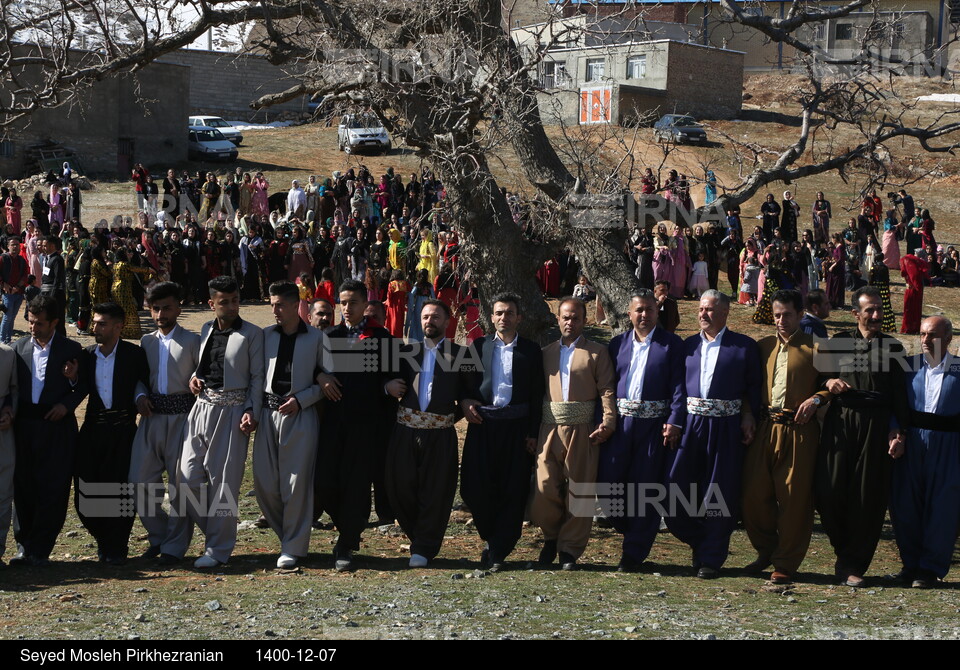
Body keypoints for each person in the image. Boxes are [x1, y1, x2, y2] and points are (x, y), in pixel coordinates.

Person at [815, 286, 908, 587]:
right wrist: (829, 381)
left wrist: (898, 430)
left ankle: (852, 563)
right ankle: (842, 551)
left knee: (868, 497)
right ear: (856, 313)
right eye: (870, 310)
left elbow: (900, 397)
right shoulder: (837, 343)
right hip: (841, 422)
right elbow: (818, 379)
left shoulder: (894, 348)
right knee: (828, 490)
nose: (877, 315)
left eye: (880, 309)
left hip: (877, 425)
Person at [666, 290, 761, 578]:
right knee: (675, 490)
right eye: (700, 309)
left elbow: (753, 388)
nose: (703, 314)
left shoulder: (743, 347)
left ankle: (710, 557)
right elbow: (678, 388)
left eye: (709, 310)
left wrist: (748, 415)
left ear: (724, 313)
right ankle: (699, 539)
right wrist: (675, 421)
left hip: (726, 428)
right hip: (691, 426)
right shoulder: (688, 346)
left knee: (720, 492)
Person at [740, 290, 830, 584]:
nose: (781, 320)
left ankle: (786, 562)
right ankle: (766, 550)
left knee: (794, 499)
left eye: (787, 314)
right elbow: (749, 387)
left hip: (799, 430)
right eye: (776, 315)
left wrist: (816, 399)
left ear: (801, 315)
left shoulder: (818, 347)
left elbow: (834, 384)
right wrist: (747, 414)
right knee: (753, 494)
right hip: (765, 427)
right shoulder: (762, 346)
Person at [385, 299, 480, 568]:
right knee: (400, 487)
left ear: (447, 321)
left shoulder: (462, 354)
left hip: (440, 433)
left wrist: (457, 410)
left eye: (436, 317)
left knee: (436, 491)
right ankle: (417, 535)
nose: (430, 321)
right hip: (405, 431)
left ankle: (425, 547)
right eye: (425, 316)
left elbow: (470, 393)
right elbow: (384, 382)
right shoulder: (405, 352)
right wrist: (387, 386)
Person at [180, 276, 264, 568]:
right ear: (211, 303)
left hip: (233, 411)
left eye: (235, 300)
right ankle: (217, 532)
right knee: (187, 478)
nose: (231, 306)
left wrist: (252, 410)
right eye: (224, 301)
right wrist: (195, 378)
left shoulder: (253, 334)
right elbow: (203, 367)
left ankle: (218, 549)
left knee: (224, 483)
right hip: (201, 409)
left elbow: (256, 377)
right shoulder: (205, 329)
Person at [601, 290, 684, 572]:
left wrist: (675, 420)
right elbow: (608, 384)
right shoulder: (617, 344)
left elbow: (678, 387)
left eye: (649, 310)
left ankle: (634, 552)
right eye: (639, 310)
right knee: (608, 482)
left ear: (657, 312)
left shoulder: (671, 345)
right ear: (629, 313)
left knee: (645, 488)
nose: (644, 316)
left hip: (654, 426)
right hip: (621, 425)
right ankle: (629, 528)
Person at [460, 294, 544, 572]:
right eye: (499, 313)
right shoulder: (478, 346)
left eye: (509, 313)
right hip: (484, 427)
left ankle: (499, 548)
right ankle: (490, 537)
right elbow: (465, 383)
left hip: (517, 429)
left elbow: (536, 395)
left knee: (513, 488)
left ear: (519, 317)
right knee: (474, 487)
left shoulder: (531, 351)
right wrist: (464, 401)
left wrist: (533, 433)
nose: (504, 318)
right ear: (491, 316)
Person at [315, 279, 394, 571]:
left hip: (366, 424)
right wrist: (321, 378)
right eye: (343, 302)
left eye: (353, 303)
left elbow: (390, 376)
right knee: (323, 481)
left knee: (357, 484)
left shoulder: (381, 338)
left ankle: (346, 542)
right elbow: (314, 370)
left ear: (366, 304)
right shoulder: (328, 335)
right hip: (332, 422)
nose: (347, 308)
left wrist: (387, 386)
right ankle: (352, 525)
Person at [532, 297, 616, 570]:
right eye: (565, 317)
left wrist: (608, 420)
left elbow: (606, 389)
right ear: (558, 319)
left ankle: (569, 550)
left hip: (583, 429)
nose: (570, 322)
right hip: (549, 427)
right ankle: (551, 537)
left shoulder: (597, 352)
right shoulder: (545, 353)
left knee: (580, 490)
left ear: (584, 320)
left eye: (576, 318)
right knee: (545, 487)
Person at [254, 281, 332, 569]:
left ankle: (293, 546)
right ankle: (287, 534)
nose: (275, 310)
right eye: (272, 305)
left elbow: (328, 380)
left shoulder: (315, 338)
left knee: (297, 484)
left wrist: (303, 399)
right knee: (264, 482)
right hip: (267, 414)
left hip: (300, 416)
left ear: (295, 305)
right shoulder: (264, 336)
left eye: (280, 305)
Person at [10, 295, 88, 566]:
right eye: (30, 322)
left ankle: (42, 548)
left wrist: (67, 402)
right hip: (24, 427)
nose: (34, 328)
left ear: (54, 322)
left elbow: (84, 385)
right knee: (23, 485)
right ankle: (23, 544)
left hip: (56, 427)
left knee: (53, 487)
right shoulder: (17, 349)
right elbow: (12, 389)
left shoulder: (72, 349)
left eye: (40, 323)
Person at [128, 282, 200, 565]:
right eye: (155, 308)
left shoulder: (193, 341)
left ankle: (173, 547)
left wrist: (196, 381)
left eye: (166, 307)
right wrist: (140, 395)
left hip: (183, 420)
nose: (161, 313)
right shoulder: (146, 341)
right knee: (139, 481)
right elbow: (139, 378)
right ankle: (158, 536)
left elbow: (200, 375)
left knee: (180, 485)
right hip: (151, 418)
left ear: (178, 308)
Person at [72, 302, 150, 565]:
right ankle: (103, 540)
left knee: (121, 491)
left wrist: (140, 397)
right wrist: (72, 378)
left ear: (118, 327)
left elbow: (143, 383)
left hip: (123, 431)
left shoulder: (134, 354)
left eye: (102, 323)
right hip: (93, 430)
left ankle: (116, 547)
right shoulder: (87, 355)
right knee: (86, 489)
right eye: (95, 322)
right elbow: (79, 387)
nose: (96, 327)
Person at [889, 316, 960, 589]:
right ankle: (910, 564)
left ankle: (930, 568)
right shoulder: (908, 366)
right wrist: (896, 433)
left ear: (949, 338)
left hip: (949, 444)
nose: (926, 340)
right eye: (922, 334)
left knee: (943, 507)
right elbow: (896, 404)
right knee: (906, 504)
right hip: (913, 442)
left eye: (932, 335)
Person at [0, 336, 15, 566]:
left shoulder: (7, 354)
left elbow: (14, 389)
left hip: (2, 431)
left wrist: (10, 411)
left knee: (3, 493)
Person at [0, 237, 28, 344]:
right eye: (13, 245)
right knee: (7, 317)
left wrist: (18, 286)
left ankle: (8, 339)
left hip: (18, 292)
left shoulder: (21, 260)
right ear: (8, 246)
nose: (15, 247)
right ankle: (2, 340)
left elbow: (25, 275)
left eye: (17, 245)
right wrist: (3, 284)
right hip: (7, 293)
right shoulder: (3, 258)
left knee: (12, 317)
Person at [39, 235, 67, 336]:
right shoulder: (47, 258)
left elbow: (57, 279)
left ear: (52, 246)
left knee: (57, 320)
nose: (43, 248)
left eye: (45, 246)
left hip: (55, 294)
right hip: (45, 291)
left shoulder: (57, 259)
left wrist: (52, 296)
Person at [900, 250, 930, 335]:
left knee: (910, 308)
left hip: (911, 288)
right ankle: (911, 327)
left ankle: (911, 327)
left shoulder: (909, 261)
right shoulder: (912, 262)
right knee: (912, 308)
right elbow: (915, 277)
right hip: (914, 288)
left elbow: (906, 274)